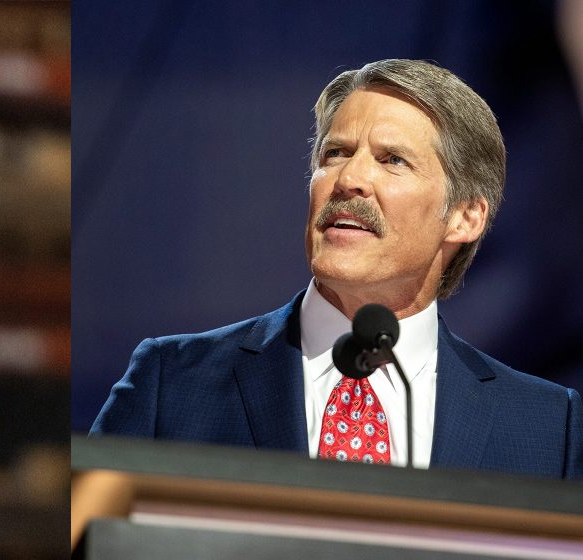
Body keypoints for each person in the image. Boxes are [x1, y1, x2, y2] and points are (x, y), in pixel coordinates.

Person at [91, 59, 583, 479]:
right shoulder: (172, 385)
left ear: (465, 216)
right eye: (335, 154)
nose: (349, 179)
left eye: (392, 160)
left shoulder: (547, 428)